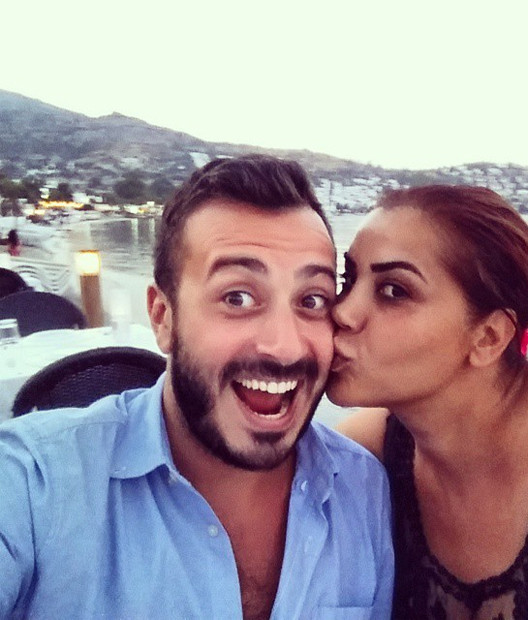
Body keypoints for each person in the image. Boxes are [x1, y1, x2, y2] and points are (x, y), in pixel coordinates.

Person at [0, 155, 394, 618]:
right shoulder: (33, 485)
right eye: (237, 297)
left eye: (311, 300)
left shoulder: (363, 491)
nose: (284, 347)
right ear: (162, 317)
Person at [328, 185, 528, 619]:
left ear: (488, 337)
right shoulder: (363, 454)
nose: (342, 312)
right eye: (348, 280)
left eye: (394, 291)